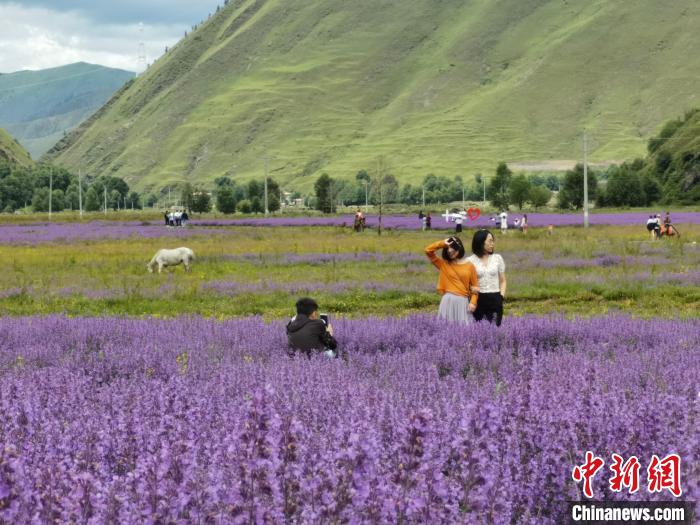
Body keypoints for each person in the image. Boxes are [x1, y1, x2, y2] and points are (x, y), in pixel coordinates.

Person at [424, 236, 478, 323]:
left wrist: (473, 302)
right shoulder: (443, 264)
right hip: (447, 302)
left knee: (464, 330)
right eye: (447, 248)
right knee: (445, 329)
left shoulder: (470, 266)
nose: (450, 251)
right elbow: (428, 250)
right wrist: (442, 243)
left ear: (459, 247)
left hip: (463, 302)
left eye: (453, 247)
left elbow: (475, 287)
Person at [468, 229, 506, 326]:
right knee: (478, 329)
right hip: (478, 299)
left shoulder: (497, 258)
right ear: (480, 242)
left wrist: (501, 297)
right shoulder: (469, 261)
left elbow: (503, 280)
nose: (492, 243)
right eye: (490, 241)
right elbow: (464, 282)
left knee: (496, 327)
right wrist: (470, 290)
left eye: (493, 241)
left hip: (495, 298)